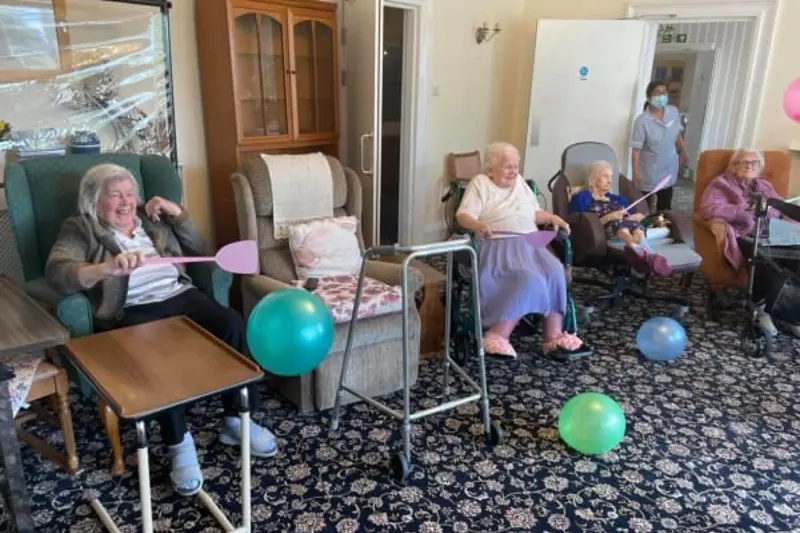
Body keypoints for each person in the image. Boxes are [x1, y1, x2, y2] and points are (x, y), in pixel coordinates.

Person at [46, 164, 277, 497]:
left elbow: (199, 249)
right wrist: (104, 268)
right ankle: (179, 443)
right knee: (158, 357)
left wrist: (177, 213)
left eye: (130, 194)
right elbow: (57, 271)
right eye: (115, 195)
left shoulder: (150, 218)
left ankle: (237, 419)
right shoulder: (81, 227)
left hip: (180, 294)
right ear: (94, 201)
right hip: (133, 308)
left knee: (232, 324)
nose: (126, 202)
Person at [455, 142, 585, 359]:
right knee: (528, 277)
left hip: (531, 244)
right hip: (498, 246)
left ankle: (553, 336)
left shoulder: (521, 184)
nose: (513, 171)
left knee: (555, 271)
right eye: (507, 166)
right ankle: (497, 335)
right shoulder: (480, 183)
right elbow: (463, 215)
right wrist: (478, 225)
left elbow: (534, 213)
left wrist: (552, 217)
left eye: (516, 166)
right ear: (491, 169)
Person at [698, 148, 800, 337]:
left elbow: (779, 208)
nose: (750, 166)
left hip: (772, 233)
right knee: (763, 257)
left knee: (796, 254)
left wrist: (774, 213)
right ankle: (762, 309)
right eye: (745, 162)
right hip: (743, 234)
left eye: (755, 163)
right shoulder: (721, 184)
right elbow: (707, 208)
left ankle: (790, 314)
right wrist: (743, 209)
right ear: (734, 165)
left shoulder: (764, 185)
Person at [569, 161, 672, 276]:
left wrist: (636, 217)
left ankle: (647, 256)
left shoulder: (618, 199)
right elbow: (580, 225)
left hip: (626, 227)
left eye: (611, 177)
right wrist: (608, 217)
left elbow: (628, 217)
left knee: (637, 230)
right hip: (603, 232)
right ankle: (643, 253)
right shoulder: (582, 198)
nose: (610, 181)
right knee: (622, 227)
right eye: (605, 176)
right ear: (593, 178)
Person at [631, 80, 688, 212]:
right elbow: (636, 150)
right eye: (657, 93)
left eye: (664, 92)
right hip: (649, 170)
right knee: (644, 208)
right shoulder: (642, 121)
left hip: (668, 167)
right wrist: (635, 172)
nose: (661, 96)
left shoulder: (673, 112)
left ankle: (661, 223)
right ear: (649, 97)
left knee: (665, 207)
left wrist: (684, 151)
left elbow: (677, 134)